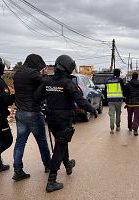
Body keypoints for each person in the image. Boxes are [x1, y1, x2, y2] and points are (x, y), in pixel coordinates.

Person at [35, 55, 97, 193]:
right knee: (60, 146)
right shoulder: (68, 83)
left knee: (61, 142)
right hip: (63, 119)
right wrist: (92, 109)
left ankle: (68, 165)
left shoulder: (48, 82)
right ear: (68, 67)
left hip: (51, 119)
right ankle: (51, 181)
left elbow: (37, 97)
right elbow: (80, 101)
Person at [12, 54, 51, 181]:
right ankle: (48, 166)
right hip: (33, 113)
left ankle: (18, 171)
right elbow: (46, 84)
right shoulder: (33, 73)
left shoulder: (18, 73)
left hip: (20, 113)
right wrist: (44, 74)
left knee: (20, 142)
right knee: (42, 141)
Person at [105, 69, 124, 134]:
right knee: (118, 113)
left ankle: (112, 129)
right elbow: (123, 89)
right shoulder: (120, 80)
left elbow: (105, 90)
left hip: (110, 100)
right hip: (118, 100)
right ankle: (118, 127)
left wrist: (106, 98)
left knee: (111, 114)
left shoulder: (108, 80)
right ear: (118, 74)